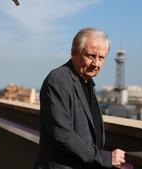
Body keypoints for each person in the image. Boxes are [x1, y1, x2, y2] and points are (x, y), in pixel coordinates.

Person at [35, 28, 126, 169]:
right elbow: (63, 135)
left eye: (101, 58)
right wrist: (104, 158)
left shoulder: (87, 82)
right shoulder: (58, 79)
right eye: (90, 56)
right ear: (74, 53)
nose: (96, 64)